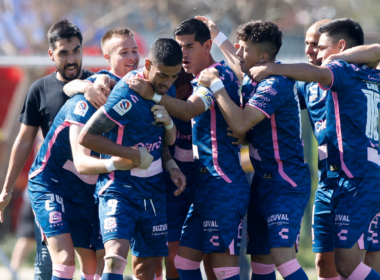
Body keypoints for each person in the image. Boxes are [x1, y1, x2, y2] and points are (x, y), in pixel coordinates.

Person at [248, 18, 380, 279]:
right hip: (331, 180)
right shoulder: (311, 82)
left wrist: (274, 67)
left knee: (351, 264)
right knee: (325, 264)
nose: (311, 51)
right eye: (309, 44)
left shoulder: (344, 70)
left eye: (318, 46)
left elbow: (375, 50)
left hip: (358, 177)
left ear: (340, 46)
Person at [126, 18, 250, 280]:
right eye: (180, 46)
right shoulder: (191, 78)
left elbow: (190, 109)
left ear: (207, 46)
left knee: (222, 267)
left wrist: (154, 96)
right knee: (183, 262)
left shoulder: (215, 75)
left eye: (190, 46)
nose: (183, 53)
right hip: (203, 185)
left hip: (223, 183)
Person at [197, 18, 311, 280]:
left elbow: (240, 124)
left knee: (282, 258)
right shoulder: (254, 76)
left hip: (286, 181)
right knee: (260, 260)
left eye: (244, 48)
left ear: (263, 56)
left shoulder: (274, 83)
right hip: (262, 181)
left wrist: (215, 85)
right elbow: (238, 63)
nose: (238, 53)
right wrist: (216, 35)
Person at [0, 19, 101, 280]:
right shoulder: (39, 90)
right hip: (52, 186)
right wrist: (7, 188)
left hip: (89, 190)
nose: (71, 59)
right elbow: (23, 141)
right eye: (63, 53)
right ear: (51, 54)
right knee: (50, 263)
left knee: (94, 266)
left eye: (76, 51)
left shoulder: (99, 86)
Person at [79, 38, 184, 280]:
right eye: (164, 75)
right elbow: (87, 137)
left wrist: (171, 166)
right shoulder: (128, 92)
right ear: (148, 64)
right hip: (120, 186)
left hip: (154, 189)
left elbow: (163, 143)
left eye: (174, 76)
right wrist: (132, 155)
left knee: (146, 268)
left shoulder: (167, 90)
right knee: (115, 258)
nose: (168, 83)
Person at [63, 28, 141, 279]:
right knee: (110, 259)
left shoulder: (145, 81)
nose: (131, 57)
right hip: (112, 186)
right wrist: (88, 85)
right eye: (124, 52)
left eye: (135, 51)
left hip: (152, 185)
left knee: (150, 262)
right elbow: (68, 86)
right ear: (107, 58)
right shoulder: (103, 82)